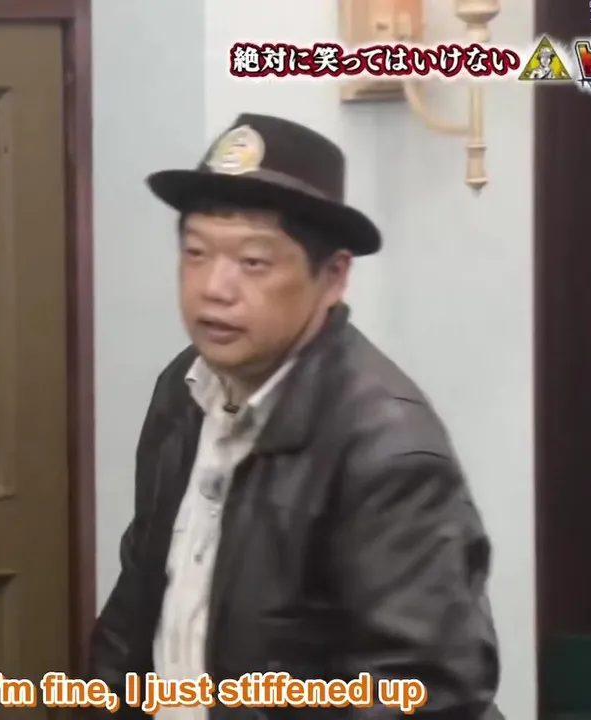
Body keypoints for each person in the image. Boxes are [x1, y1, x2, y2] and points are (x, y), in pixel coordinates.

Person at [87, 114, 501, 719]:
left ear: (332, 277)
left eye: (253, 262)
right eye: (196, 253)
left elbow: (424, 692)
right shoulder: (184, 391)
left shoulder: (388, 448)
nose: (215, 287)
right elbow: (138, 607)